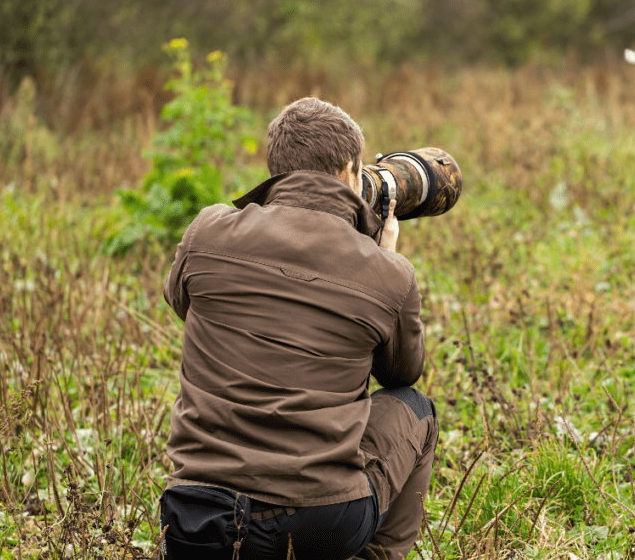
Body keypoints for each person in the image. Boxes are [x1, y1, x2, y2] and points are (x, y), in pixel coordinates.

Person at [158, 96, 438, 560]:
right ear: (351, 168)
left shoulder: (207, 230)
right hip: (317, 525)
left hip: (194, 517)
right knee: (415, 408)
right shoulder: (389, 274)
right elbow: (401, 374)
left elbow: (180, 300)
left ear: (276, 170)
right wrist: (381, 259)